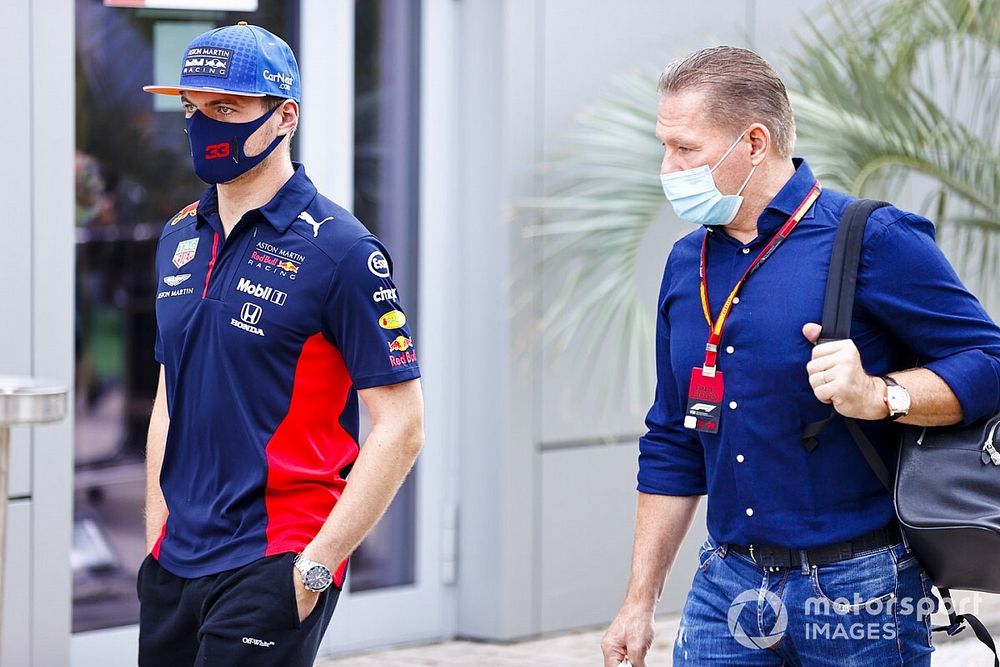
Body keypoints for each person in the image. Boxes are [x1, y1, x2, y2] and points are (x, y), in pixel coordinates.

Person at [601, 45, 1000, 667]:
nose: (668, 167)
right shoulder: (687, 263)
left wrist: (881, 394)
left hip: (863, 589)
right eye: (665, 146)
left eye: (685, 149)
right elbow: (673, 440)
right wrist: (638, 601)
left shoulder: (873, 236)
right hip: (724, 590)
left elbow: (989, 360)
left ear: (753, 143)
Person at [139, 22, 424, 666]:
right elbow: (168, 393)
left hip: (275, 558)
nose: (203, 124)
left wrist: (316, 569)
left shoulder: (340, 249)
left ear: (283, 115)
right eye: (192, 108)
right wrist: (156, 529)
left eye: (226, 109)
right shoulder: (179, 237)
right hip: (175, 559)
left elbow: (402, 426)